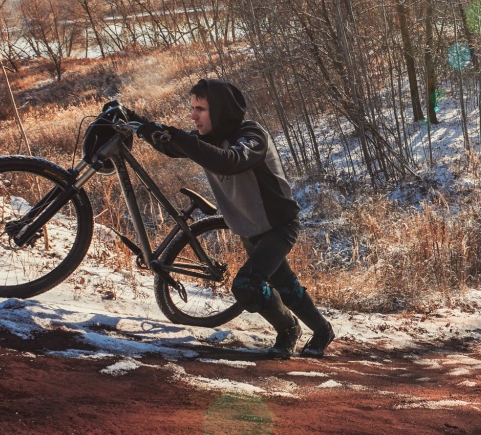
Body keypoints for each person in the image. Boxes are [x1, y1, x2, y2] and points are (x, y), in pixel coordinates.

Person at [127, 78, 335, 359]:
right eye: (192, 108)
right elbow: (172, 146)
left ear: (221, 110)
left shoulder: (252, 136)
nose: (193, 115)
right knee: (285, 286)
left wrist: (181, 138)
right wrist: (138, 124)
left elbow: (230, 160)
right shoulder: (205, 140)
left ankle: (296, 329)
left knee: (247, 286)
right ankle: (301, 330)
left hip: (279, 226)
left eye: (200, 108)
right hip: (248, 229)